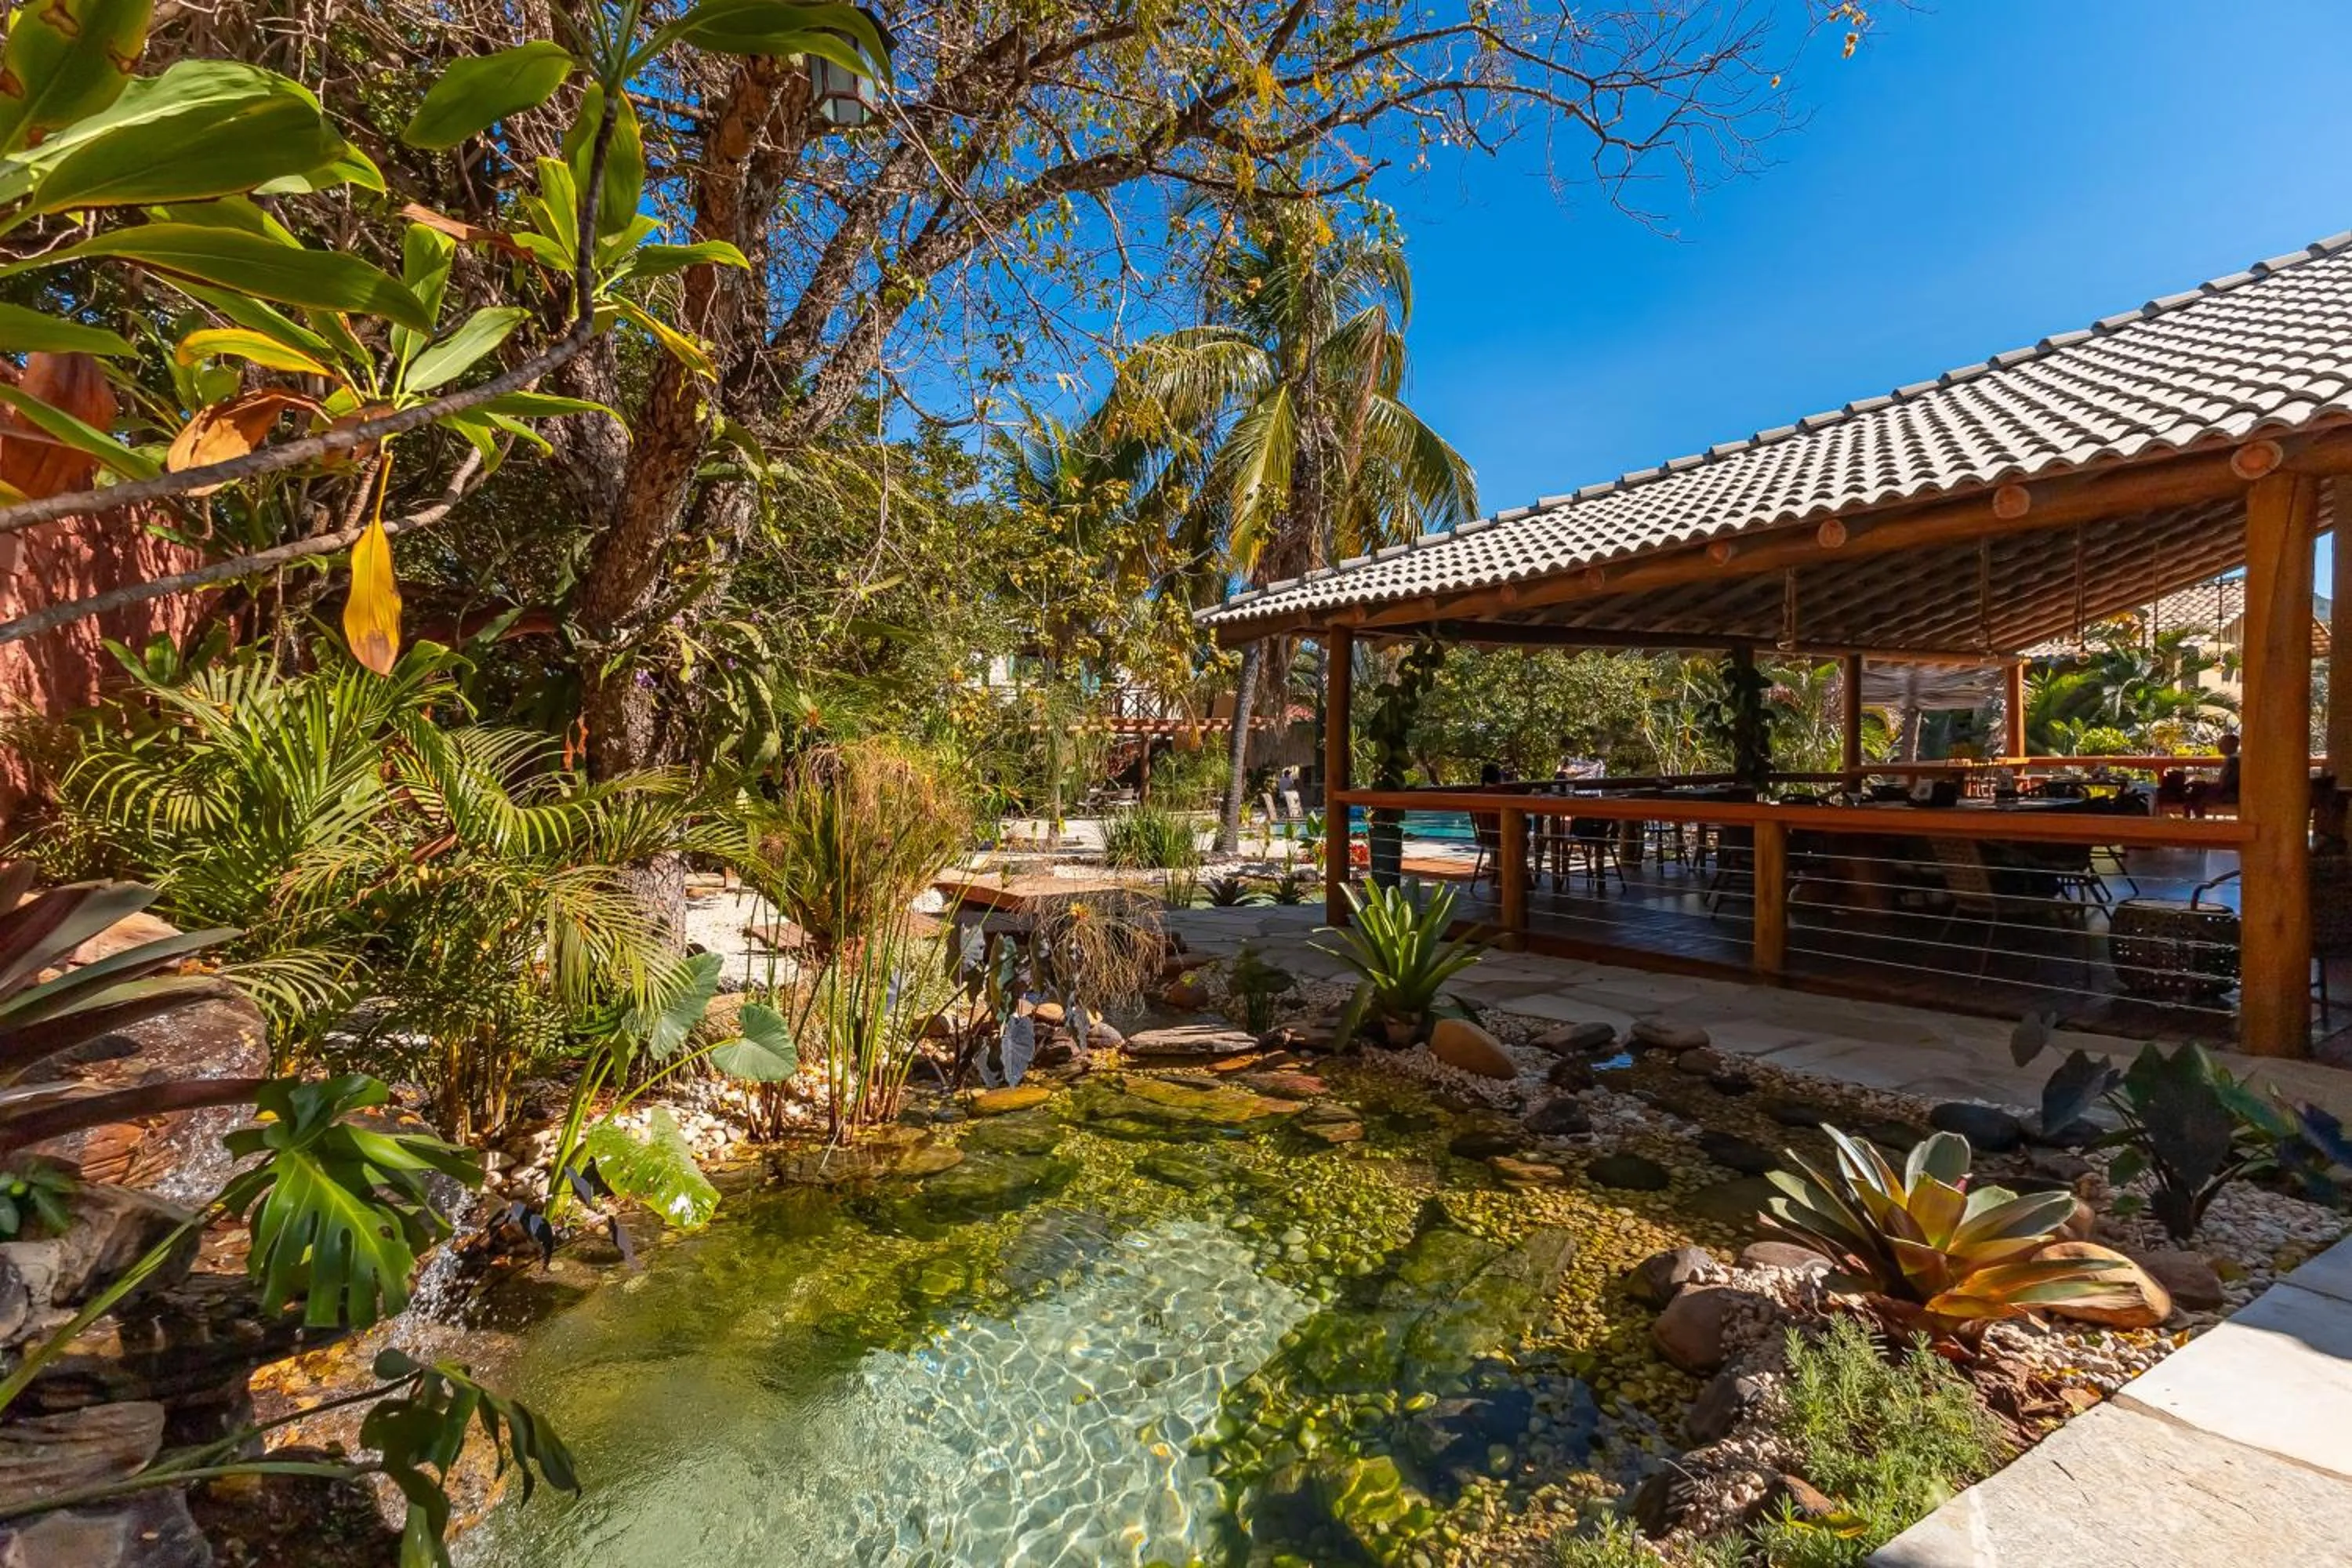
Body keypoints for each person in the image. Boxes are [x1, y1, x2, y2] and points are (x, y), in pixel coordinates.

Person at [2186, 733, 2241, 818]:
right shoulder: (2233, 759)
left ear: (2230, 745)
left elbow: (2226, 784)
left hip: (2230, 794)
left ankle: (2198, 821)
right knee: (2197, 788)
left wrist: (2207, 786)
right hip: (2229, 791)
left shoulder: (2233, 761)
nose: (2218, 745)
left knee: (2196, 794)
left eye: (2222, 743)